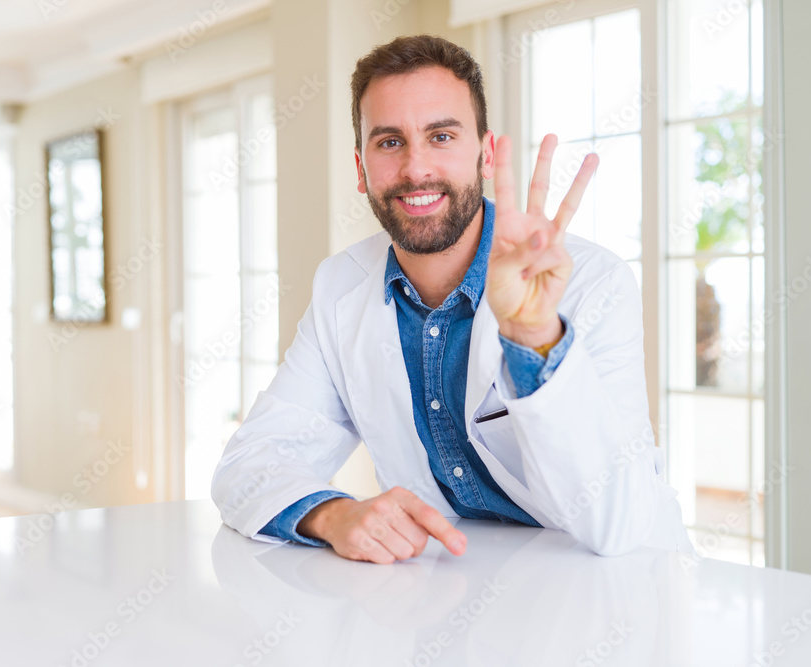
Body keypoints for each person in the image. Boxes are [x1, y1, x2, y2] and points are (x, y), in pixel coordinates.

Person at [211, 34, 692, 564]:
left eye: (441, 136)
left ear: (485, 154)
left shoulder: (590, 281)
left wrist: (534, 335)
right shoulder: (339, 288)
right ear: (360, 168)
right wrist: (332, 514)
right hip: (458, 590)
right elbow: (250, 461)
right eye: (390, 142)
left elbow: (616, 520)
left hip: (617, 591)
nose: (416, 169)